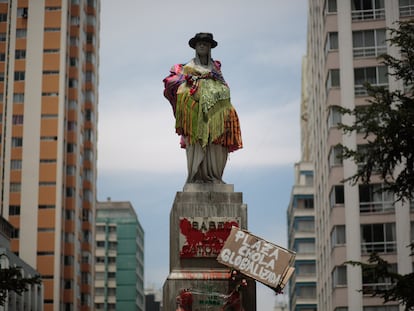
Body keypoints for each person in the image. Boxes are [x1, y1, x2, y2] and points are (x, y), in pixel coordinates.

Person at [163, 32, 242, 184]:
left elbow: (224, 88)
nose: (202, 45)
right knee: (197, 141)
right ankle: (197, 175)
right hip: (195, 114)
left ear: (210, 47)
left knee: (217, 142)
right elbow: (178, 86)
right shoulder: (187, 68)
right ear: (195, 47)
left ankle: (215, 176)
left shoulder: (216, 70)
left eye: (206, 43)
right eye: (200, 43)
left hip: (215, 114)